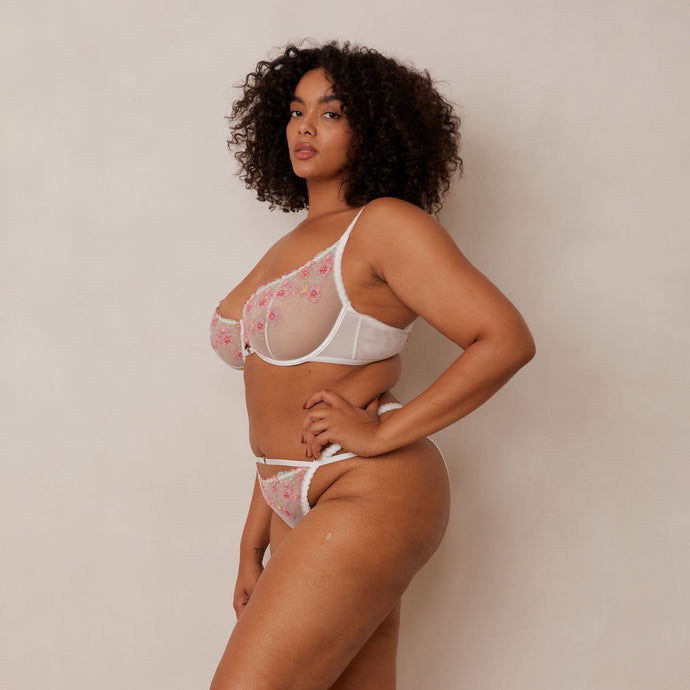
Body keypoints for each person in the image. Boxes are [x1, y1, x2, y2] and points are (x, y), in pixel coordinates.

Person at [208, 41, 535, 690]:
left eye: (330, 113)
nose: (305, 126)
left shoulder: (384, 226)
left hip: (367, 489)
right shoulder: (290, 243)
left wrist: (384, 432)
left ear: (376, 129)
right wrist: (253, 540)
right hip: (290, 496)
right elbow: (284, 397)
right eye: (296, 111)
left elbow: (504, 338)